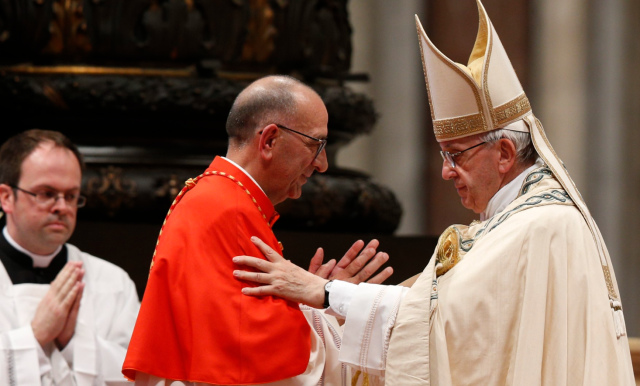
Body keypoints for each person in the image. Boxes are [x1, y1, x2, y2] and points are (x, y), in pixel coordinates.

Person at [232, 2, 636, 385]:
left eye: (456, 155)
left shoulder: (540, 224)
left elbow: (443, 327)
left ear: (506, 153)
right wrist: (329, 304)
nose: (445, 171)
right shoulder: (520, 220)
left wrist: (324, 293)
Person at [123, 75, 393, 386]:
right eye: (315, 144)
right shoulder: (228, 211)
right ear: (269, 141)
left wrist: (310, 296)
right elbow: (261, 365)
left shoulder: (223, 199)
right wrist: (328, 303)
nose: (323, 164)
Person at [0, 129, 140, 386]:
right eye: (45, 193)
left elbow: (136, 375)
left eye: (71, 196)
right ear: (6, 197)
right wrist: (35, 337)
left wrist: (73, 341)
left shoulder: (112, 282)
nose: (62, 207)